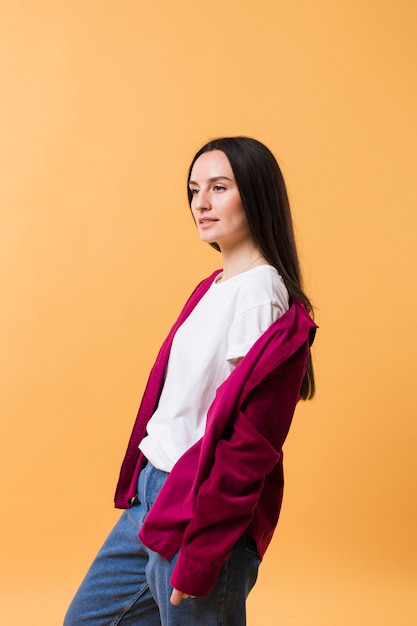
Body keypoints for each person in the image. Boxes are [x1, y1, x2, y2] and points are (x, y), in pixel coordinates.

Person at [64, 136, 317, 626]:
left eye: (219, 187)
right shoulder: (214, 286)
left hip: (199, 510)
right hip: (153, 495)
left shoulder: (261, 295)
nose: (201, 203)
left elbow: (250, 441)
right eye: (194, 189)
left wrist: (203, 551)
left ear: (257, 194)